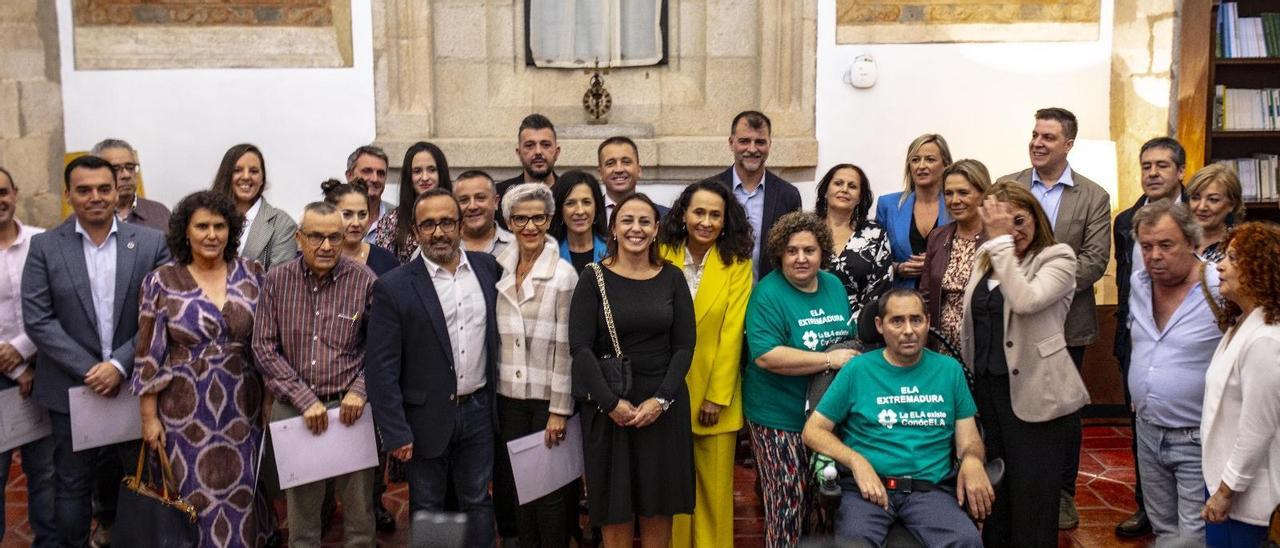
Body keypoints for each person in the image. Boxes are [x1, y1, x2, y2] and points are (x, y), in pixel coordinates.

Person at [22, 155, 170, 548]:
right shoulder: (44, 246)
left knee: (140, 482)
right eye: (84, 190)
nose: (96, 197)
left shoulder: (152, 243)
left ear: (121, 189)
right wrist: (93, 369)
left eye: (104, 188)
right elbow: (38, 319)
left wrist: (120, 365)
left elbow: (159, 313)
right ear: (68, 195)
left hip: (135, 386)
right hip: (73, 390)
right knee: (71, 487)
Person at [131, 190, 269, 547]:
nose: (212, 234)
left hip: (244, 408)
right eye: (202, 226)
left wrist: (270, 400)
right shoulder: (161, 281)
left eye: (220, 226)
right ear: (185, 232)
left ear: (231, 230)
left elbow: (269, 341)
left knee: (244, 496)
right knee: (189, 497)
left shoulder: (253, 273)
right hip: (184, 415)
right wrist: (149, 417)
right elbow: (149, 353)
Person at [803, 289, 991, 548]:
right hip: (867, 491)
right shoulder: (857, 370)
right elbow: (813, 431)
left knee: (967, 541)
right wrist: (856, 462)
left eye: (916, 320)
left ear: (928, 322)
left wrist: (971, 460)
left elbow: (969, 439)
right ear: (879, 325)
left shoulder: (949, 371)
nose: (908, 330)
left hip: (930, 490)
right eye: (897, 321)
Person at [366, 189, 501, 547]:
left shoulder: (488, 270)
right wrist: (395, 431)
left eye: (446, 222)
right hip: (422, 420)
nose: (438, 232)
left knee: (477, 501)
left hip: (478, 412)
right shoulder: (393, 287)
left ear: (460, 225)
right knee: (428, 506)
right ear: (415, 229)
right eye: (428, 224)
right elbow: (381, 368)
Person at [959, 181, 1088, 547]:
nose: (1011, 230)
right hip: (988, 390)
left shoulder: (1057, 257)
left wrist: (999, 242)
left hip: (1036, 393)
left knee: (1033, 500)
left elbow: (1026, 299)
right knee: (998, 493)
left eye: (1019, 220)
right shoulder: (986, 257)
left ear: (1036, 216)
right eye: (1000, 221)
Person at [1000, 107, 1111, 528]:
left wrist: (1042, 289)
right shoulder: (1006, 186)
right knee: (1012, 405)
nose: (1038, 143)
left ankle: (1063, 493)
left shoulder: (1094, 196)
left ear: (1068, 144)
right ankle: (1013, 485)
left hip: (1065, 325)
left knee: (1063, 414)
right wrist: (1021, 292)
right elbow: (988, 244)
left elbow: (1095, 260)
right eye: (1034, 135)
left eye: (1048, 137)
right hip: (1011, 321)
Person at [568, 193, 696, 548]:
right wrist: (611, 404)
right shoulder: (593, 278)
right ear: (613, 228)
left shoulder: (672, 277)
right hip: (611, 413)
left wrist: (662, 400)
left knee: (658, 515)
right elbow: (579, 348)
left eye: (644, 221)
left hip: (662, 410)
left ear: (656, 230)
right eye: (627, 220)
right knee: (615, 516)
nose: (635, 228)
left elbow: (684, 346)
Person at [252, 201, 378, 548]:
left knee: (359, 520)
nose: (325, 246)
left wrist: (360, 390)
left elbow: (382, 348)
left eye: (334, 237)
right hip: (296, 408)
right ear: (298, 237)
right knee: (303, 522)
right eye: (316, 237)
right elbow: (263, 347)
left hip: (349, 409)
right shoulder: (277, 280)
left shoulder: (364, 280)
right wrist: (304, 399)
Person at [743, 212, 858, 547]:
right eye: (792, 251)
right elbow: (766, 355)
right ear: (780, 253)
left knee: (819, 503)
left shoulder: (833, 284)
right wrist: (827, 359)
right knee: (787, 502)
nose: (801, 258)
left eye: (809, 250)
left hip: (825, 417)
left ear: (822, 251)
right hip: (778, 416)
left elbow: (845, 339)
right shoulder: (768, 293)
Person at [657, 179, 754, 548]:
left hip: (715, 398)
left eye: (716, 214)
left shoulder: (737, 263)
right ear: (683, 214)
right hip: (664, 395)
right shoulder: (659, 252)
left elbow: (733, 333)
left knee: (714, 497)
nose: (707, 221)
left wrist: (717, 396)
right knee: (674, 495)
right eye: (699, 212)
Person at [1126, 200, 1223, 542]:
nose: (1154, 256)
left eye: (1166, 245)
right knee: (1164, 529)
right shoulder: (1139, 284)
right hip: (1148, 432)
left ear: (1193, 242)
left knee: (1194, 537)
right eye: (1146, 246)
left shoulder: (1220, 287)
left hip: (1198, 438)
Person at [492, 183, 579, 547]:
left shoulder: (563, 275)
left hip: (547, 401)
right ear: (509, 222)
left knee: (551, 494)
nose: (529, 226)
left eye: (538, 218)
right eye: (521, 218)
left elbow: (567, 347)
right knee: (519, 490)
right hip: (508, 397)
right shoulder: (497, 267)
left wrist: (559, 410)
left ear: (550, 220)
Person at [1111, 136, 1188, 537]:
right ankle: (1148, 505)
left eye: (1161, 165)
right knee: (1140, 423)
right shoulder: (1125, 221)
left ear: (1180, 172)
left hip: (1187, 339)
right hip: (1137, 339)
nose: (1153, 173)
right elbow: (1127, 282)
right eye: (1146, 166)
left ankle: (1190, 508)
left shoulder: (1199, 214)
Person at [1200, 222, 1280, 548]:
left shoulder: (1265, 339)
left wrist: (1224, 492)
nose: (1220, 265)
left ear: (1260, 269)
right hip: (1224, 484)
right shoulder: (1242, 323)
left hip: (1246, 500)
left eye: (1233, 258)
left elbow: (1257, 429)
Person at [0, 166, 54, 547]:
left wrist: (21, 354)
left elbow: (57, 306)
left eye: (3, 191)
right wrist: (15, 365)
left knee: (47, 476)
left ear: (16, 193)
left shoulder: (44, 243)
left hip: (43, 371)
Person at [717, 110, 802, 280]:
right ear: (731, 142)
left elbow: (792, 249)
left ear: (770, 144)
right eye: (744, 141)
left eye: (760, 142)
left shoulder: (788, 195)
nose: (752, 149)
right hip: (720, 296)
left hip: (769, 297)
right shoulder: (710, 190)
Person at [919, 159, 990, 345]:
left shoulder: (998, 238)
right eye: (948, 193)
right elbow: (925, 295)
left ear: (983, 194)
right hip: (942, 346)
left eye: (963, 193)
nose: (955, 200)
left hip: (984, 347)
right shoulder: (938, 236)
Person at [815, 163, 893, 323]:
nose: (844, 189)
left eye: (852, 186)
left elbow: (881, 286)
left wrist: (857, 326)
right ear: (825, 191)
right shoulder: (806, 229)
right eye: (838, 183)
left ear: (860, 198)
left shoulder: (874, 234)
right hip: (808, 321)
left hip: (858, 328)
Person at [875, 134, 953, 289]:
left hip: (944, 299)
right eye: (915, 160)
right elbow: (874, 258)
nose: (921, 166)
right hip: (901, 300)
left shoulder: (956, 205)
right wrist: (897, 268)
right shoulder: (888, 205)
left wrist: (936, 264)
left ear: (946, 164)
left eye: (930, 159)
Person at [210, 143, 298, 271]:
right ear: (226, 175)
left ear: (262, 179)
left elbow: (279, 285)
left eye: (254, 171)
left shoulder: (282, 225)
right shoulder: (204, 218)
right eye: (237, 170)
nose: (246, 177)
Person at [369, 141, 450, 263]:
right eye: (417, 171)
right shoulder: (391, 220)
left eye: (431, 170)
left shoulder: (457, 214)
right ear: (409, 177)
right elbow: (384, 268)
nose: (425, 177)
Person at [321, 178, 400, 276]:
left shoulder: (387, 261)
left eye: (362, 214)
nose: (356, 223)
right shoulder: (319, 259)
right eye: (347, 214)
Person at [91, 138, 171, 232]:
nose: (126, 175)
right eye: (115, 169)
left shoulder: (159, 213)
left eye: (130, 167)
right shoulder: (84, 218)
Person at [597, 136, 669, 221]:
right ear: (600, 173)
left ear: (639, 170)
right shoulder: (588, 215)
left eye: (626, 162)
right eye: (610, 163)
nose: (619, 169)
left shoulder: (665, 217)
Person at [551, 170, 609, 273]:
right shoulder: (550, 254)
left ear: (596, 207)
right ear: (559, 209)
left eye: (586, 202)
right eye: (570, 203)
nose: (580, 211)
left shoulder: (613, 251)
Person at [1186, 163, 1245, 263]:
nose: (1201, 207)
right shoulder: (1178, 239)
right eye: (1195, 198)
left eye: (1213, 200)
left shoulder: (1240, 246)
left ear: (1232, 204)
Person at [496, 114, 561, 201]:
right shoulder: (500, 195)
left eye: (545, 145)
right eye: (529, 145)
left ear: (557, 152)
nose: (538, 152)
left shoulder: (571, 194)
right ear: (519, 153)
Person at [454, 170, 514, 256]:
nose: (472, 206)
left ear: (496, 202)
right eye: (464, 200)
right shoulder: (446, 247)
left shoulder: (516, 247)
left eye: (480, 198)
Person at [345, 145, 391, 244]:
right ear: (349, 176)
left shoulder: (397, 218)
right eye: (367, 171)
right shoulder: (331, 215)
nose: (375, 179)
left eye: (381, 173)